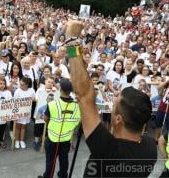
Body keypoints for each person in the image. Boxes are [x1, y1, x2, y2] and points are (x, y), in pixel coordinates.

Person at [67, 20, 157, 177]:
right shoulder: (150, 148)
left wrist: (71, 41)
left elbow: (84, 96)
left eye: (114, 105)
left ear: (119, 119)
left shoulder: (108, 150)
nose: (112, 104)